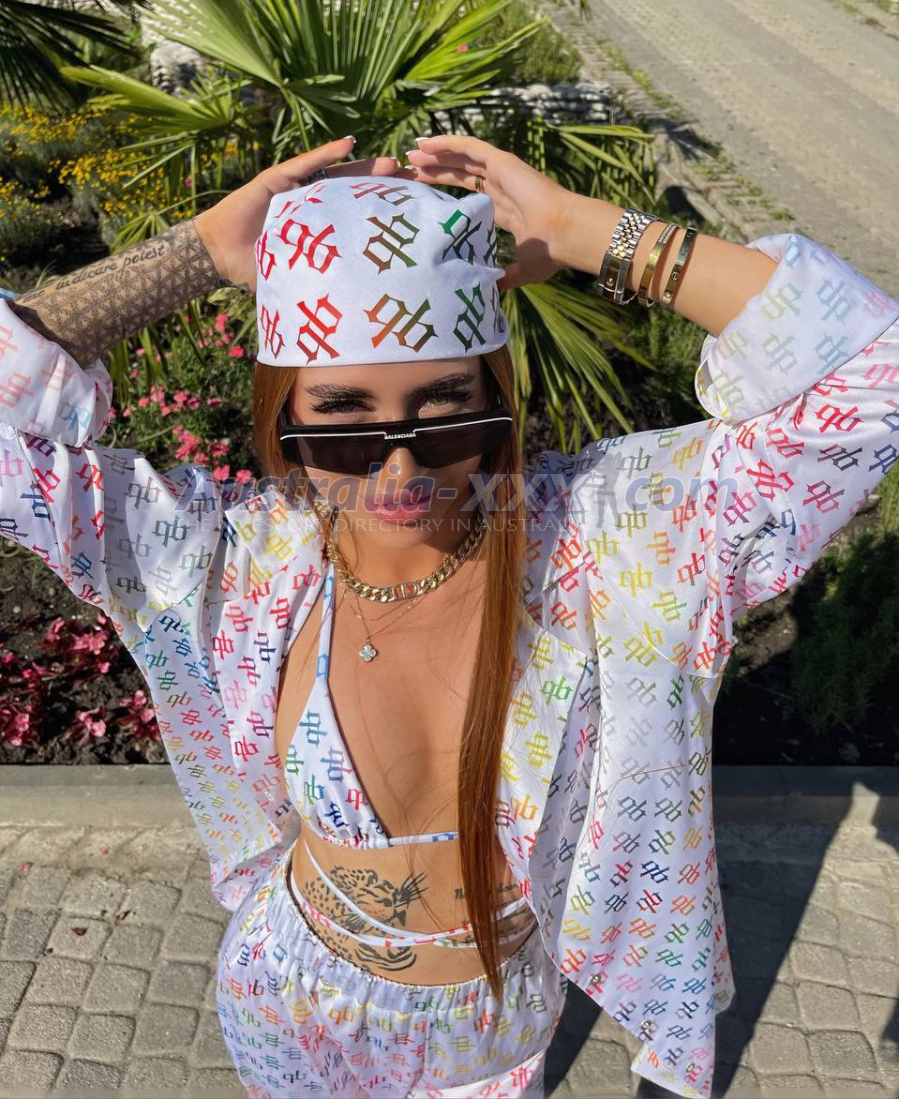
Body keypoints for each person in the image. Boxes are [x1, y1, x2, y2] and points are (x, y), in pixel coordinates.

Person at [1, 132, 897, 1099]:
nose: (400, 470)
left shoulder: (612, 538)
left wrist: (586, 231)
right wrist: (199, 253)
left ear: (495, 400)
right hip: (293, 1001)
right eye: (343, 417)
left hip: (496, 1021)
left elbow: (872, 374)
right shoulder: (222, 561)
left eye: (445, 411)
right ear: (285, 421)